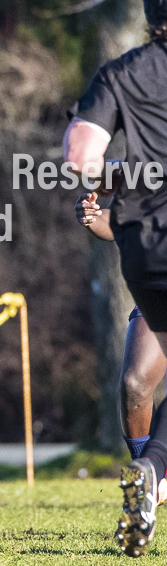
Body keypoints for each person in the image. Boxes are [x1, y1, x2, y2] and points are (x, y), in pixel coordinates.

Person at [64, 0, 167, 556]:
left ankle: (148, 481)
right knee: (137, 381)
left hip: (147, 253)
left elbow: (80, 160)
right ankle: (148, 471)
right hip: (143, 239)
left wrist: (128, 177)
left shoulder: (119, 74)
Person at [74, 192, 167, 461]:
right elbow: (114, 221)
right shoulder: (147, 164)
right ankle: (145, 475)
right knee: (134, 383)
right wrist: (91, 216)